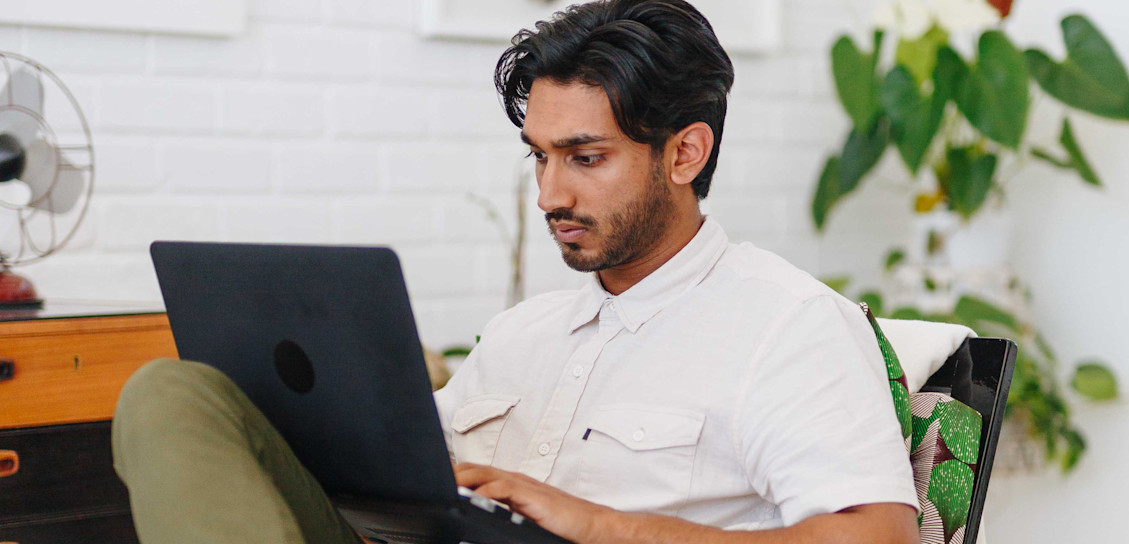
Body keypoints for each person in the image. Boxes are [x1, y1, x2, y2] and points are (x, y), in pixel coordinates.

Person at [112, 1, 919, 543]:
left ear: (686, 152)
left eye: (585, 157)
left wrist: (597, 522)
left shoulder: (787, 325)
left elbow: (875, 535)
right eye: (538, 157)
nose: (550, 194)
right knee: (172, 392)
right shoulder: (520, 336)